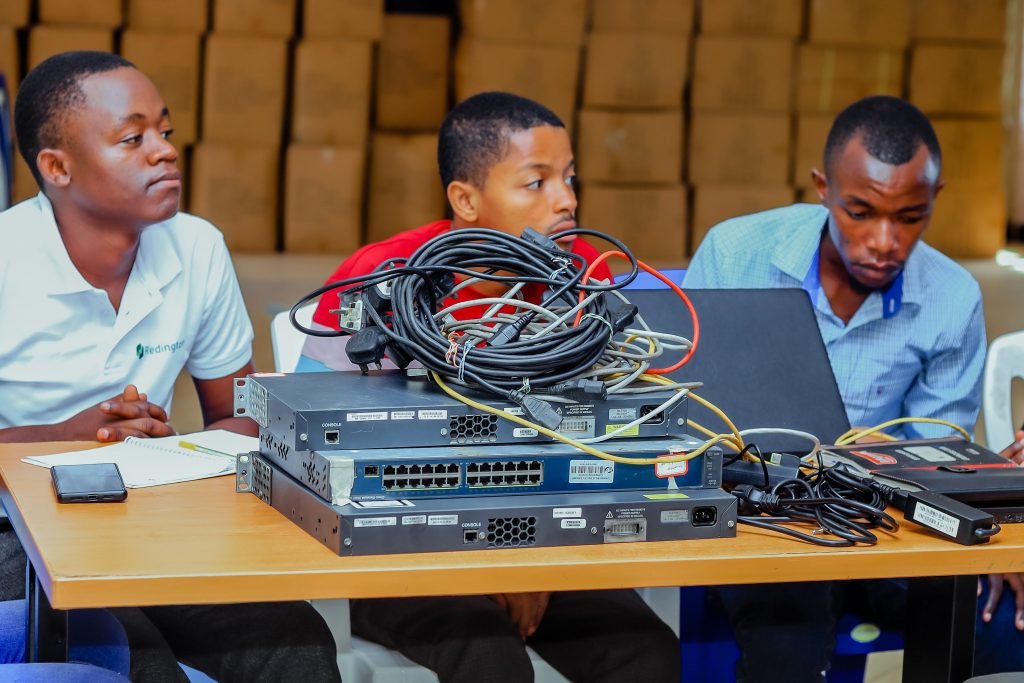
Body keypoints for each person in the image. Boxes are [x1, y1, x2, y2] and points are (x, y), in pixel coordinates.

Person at [302, 91, 680, 683]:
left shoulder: (582, 279)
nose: (567, 200)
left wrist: (534, 565)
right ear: (466, 199)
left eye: (570, 177)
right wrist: (485, 567)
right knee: (488, 660)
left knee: (645, 653)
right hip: (398, 542)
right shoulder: (381, 280)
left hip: (547, 541)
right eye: (537, 182)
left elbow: (605, 445)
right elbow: (310, 445)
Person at [0, 51, 340, 682]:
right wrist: (70, 439)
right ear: (58, 167)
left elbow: (243, 419)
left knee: (297, 643)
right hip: (13, 530)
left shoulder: (197, 248)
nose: (163, 151)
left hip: (144, 512)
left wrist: (170, 451)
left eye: (165, 130)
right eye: (133, 138)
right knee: (135, 655)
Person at [684, 95, 1024, 680]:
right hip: (764, 524)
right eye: (860, 212)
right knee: (789, 645)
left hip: (891, 527)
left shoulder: (952, 296)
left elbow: (932, 459)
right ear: (823, 188)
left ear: (935, 200)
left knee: (999, 629)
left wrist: (984, 535)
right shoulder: (736, 256)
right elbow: (687, 415)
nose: (885, 241)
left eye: (911, 216)